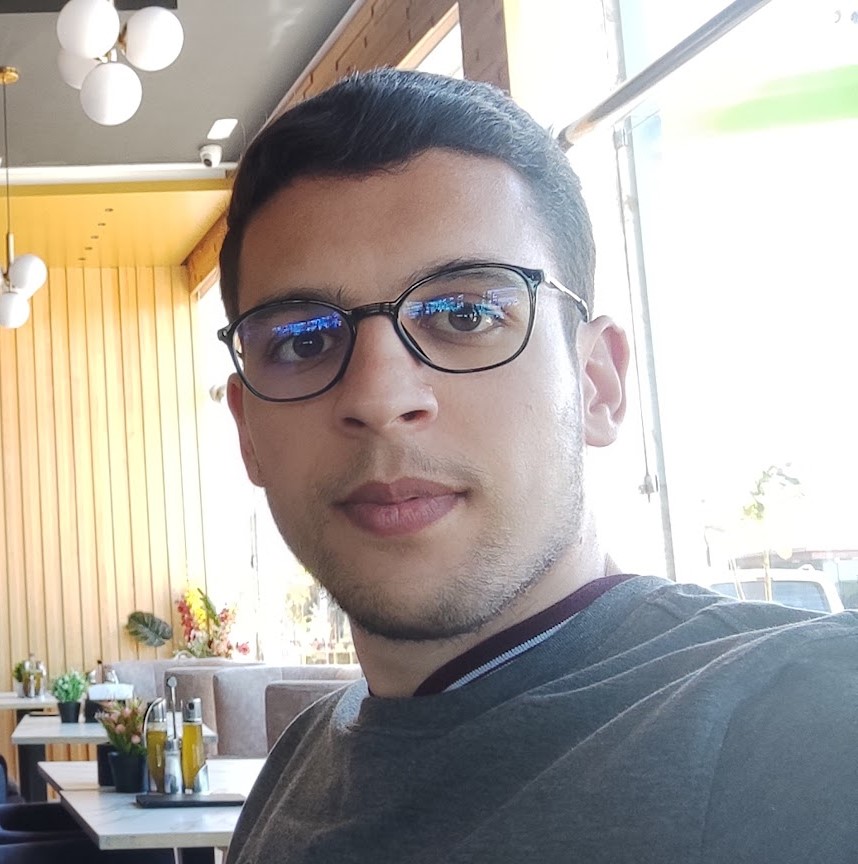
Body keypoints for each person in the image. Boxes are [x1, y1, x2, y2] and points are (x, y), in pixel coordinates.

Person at [218, 68, 858, 863]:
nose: (379, 399)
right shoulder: (300, 760)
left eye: (465, 314)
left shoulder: (800, 714)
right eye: (304, 341)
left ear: (597, 384)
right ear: (247, 431)